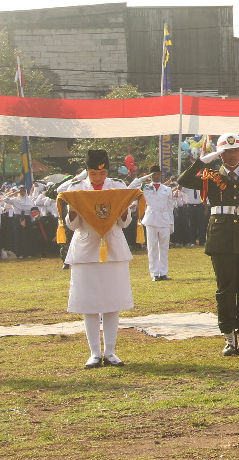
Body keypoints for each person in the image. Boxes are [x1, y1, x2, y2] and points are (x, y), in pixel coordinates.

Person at [176, 133, 239, 356]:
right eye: (226, 152)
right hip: (222, 239)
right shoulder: (210, 176)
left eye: (235, 150)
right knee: (225, 290)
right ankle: (229, 337)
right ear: (220, 154)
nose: (232, 155)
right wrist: (203, 161)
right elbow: (183, 181)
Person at [62, 150, 137, 368]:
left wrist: (123, 209)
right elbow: (72, 225)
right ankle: (94, 352)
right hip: (86, 248)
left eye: (103, 172)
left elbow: (124, 223)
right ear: (87, 171)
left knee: (113, 302)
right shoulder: (75, 188)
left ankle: (111, 352)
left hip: (113, 247)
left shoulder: (118, 187)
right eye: (94, 173)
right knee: (90, 303)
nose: (98, 177)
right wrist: (74, 208)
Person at [131, 166, 176, 281]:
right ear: (151, 176)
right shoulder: (145, 187)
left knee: (164, 247)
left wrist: (172, 223)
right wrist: (144, 178)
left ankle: (163, 273)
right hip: (151, 218)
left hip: (164, 219)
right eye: (154, 174)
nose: (156, 176)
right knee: (152, 247)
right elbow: (131, 187)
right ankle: (154, 274)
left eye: (158, 174)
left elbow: (170, 206)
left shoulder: (167, 189)